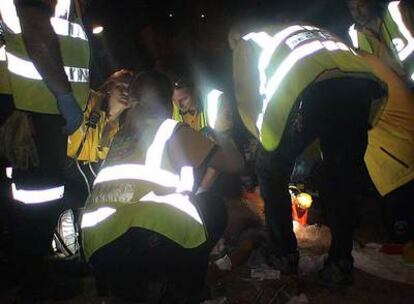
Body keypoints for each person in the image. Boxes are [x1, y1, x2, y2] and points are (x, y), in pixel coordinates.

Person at [229, 21, 387, 285]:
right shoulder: (301, 30)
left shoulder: (245, 41)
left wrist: (265, 143)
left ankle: (283, 254)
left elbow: (248, 101)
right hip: (360, 86)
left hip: (311, 88)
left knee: (269, 168)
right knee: (342, 176)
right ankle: (341, 262)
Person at [81, 71, 244, 303]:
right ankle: (187, 287)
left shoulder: (120, 138)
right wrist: (221, 134)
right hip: (145, 243)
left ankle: (135, 288)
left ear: (134, 102)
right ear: (168, 101)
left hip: (98, 248)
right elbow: (235, 164)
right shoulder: (170, 130)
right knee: (212, 208)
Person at [0, 0, 89, 300]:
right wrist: (64, 96)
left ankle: (31, 273)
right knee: (35, 200)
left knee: (31, 200)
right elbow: (37, 28)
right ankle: (32, 283)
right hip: (32, 106)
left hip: (36, 104)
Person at [66, 69, 134, 205]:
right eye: (120, 87)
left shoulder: (127, 127)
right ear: (109, 87)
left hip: (93, 190)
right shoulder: (88, 101)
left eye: (130, 90)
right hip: (67, 172)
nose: (125, 92)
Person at [347, 0, 414, 85]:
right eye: (352, 9)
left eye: (361, 6)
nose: (358, 13)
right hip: (399, 93)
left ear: (371, 3)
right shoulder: (354, 36)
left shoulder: (395, 13)